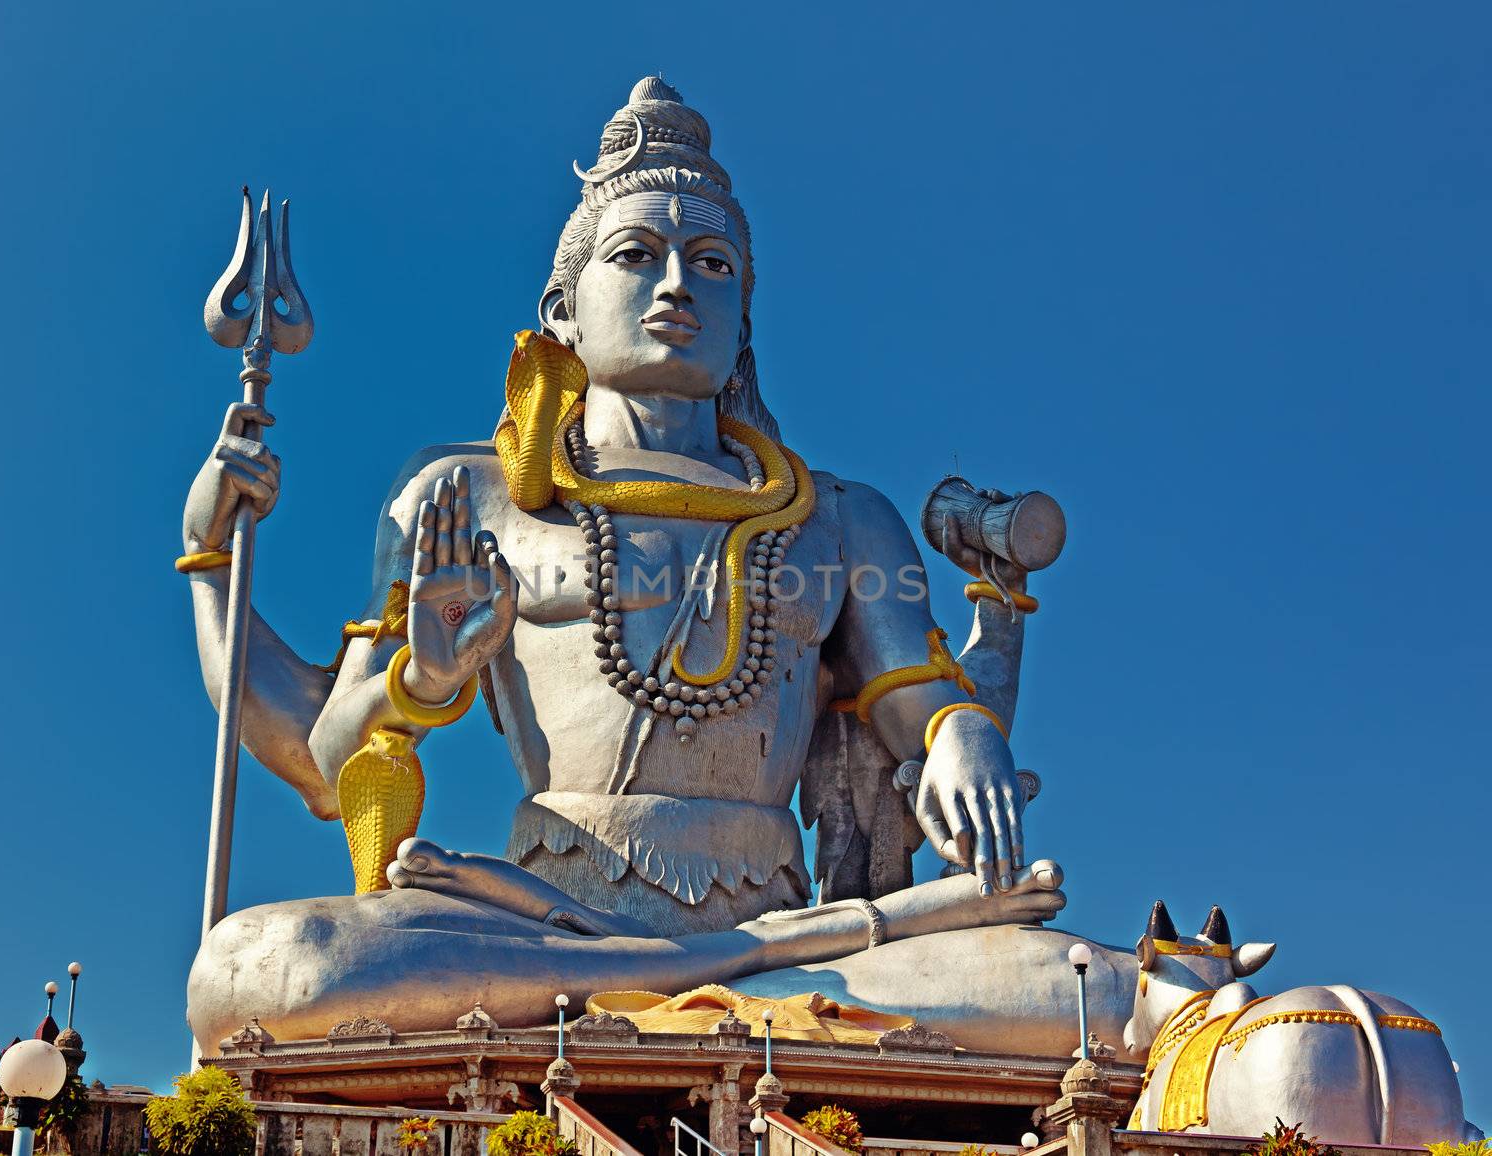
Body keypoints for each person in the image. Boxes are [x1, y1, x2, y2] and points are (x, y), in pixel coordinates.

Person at [182, 79, 1127, 1054]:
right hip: (537, 928)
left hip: (805, 945)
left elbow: (915, 703)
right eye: (637, 256)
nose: (678, 284)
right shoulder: (469, 498)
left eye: (712, 264)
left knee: (1099, 988)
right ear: (564, 309)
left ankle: (689, 977)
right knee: (260, 967)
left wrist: (961, 730)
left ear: (743, 317)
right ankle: (676, 980)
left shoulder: (841, 519)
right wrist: (225, 570)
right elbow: (325, 763)